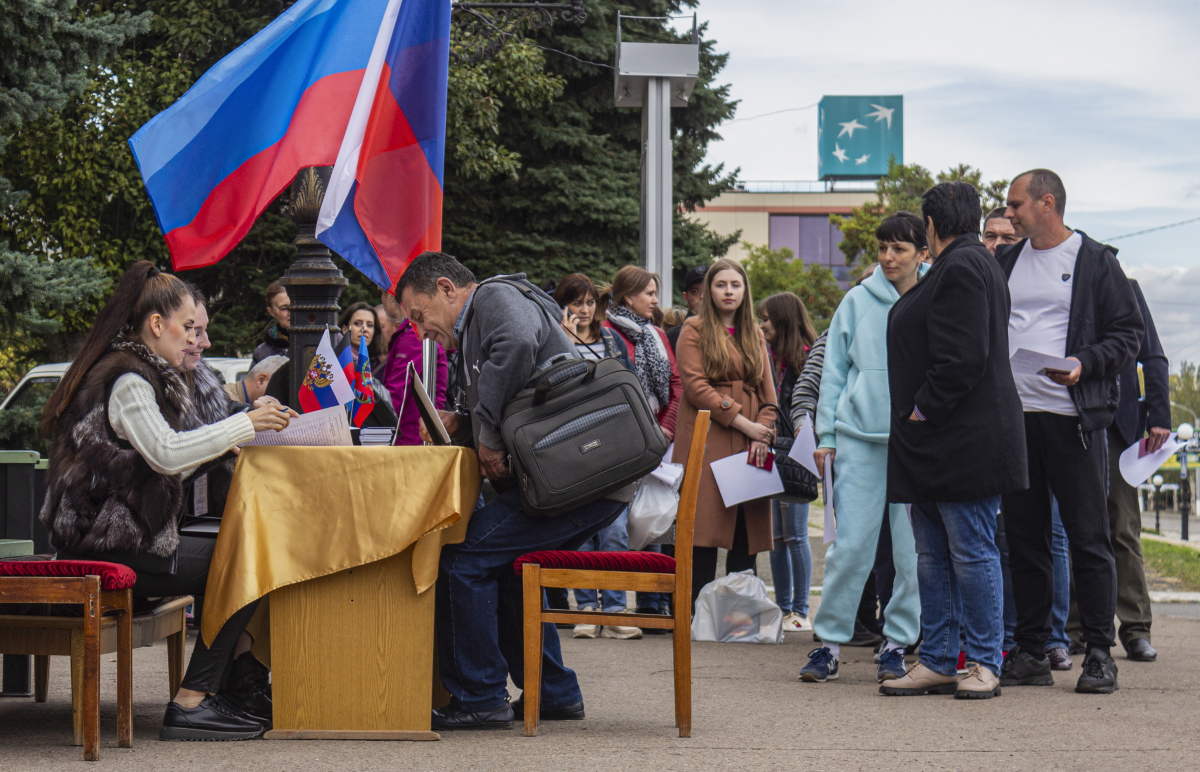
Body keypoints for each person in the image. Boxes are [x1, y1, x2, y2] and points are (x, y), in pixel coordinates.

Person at [38, 261, 296, 740]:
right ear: (157, 325)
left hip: (123, 536)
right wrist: (245, 425)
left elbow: (155, 464)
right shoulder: (128, 380)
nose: (197, 339)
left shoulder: (143, 373)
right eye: (190, 327)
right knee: (240, 555)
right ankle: (193, 702)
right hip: (105, 545)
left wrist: (227, 443)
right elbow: (164, 455)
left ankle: (236, 686)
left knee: (238, 543)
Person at [397, 252, 628, 731]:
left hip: (578, 476)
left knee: (464, 563)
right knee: (501, 566)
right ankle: (553, 691)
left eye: (419, 316)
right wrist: (465, 420)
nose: (420, 332)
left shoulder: (493, 295)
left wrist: (483, 432)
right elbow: (511, 384)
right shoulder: (482, 317)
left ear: (445, 287)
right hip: (582, 475)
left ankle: (480, 697)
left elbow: (519, 343)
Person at [995, 168, 1143, 695]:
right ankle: (1031, 652)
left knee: (1088, 538)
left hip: (1074, 422)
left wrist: (1084, 362)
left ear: (1047, 203)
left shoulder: (1097, 261)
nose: (1008, 213)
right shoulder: (1007, 261)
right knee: (1025, 540)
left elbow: (1129, 335)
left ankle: (1100, 654)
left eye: (1015, 205)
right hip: (1017, 422)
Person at [879, 182, 1028, 700]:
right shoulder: (965, 263)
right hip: (941, 444)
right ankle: (940, 659)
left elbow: (962, 358)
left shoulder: (964, 266)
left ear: (933, 227)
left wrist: (921, 409)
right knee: (934, 554)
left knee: (971, 551)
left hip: (961, 439)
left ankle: (984, 661)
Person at [800, 212, 926, 685]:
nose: (889, 257)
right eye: (883, 248)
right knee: (849, 548)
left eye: (900, 249)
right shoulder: (855, 300)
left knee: (912, 554)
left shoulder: (934, 297)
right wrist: (826, 436)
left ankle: (895, 644)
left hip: (915, 444)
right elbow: (832, 371)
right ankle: (828, 644)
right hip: (858, 440)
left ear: (922, 252)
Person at [1066, 279, 1169, 663]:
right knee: (1071, 526)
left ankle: (1136, 628)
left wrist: (1159, 415)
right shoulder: (1052, 282)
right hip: (1066, 419)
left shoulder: (1122, 285)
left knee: (1123, 527)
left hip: (1118, 426)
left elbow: (1152, 355)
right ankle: (1076, 627)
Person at [673, 258, 777, 604]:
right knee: (703, 527)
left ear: (745, 290)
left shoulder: (756, 333)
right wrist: (744, 423)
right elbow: (696, 387)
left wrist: (762, 432)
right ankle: (690, 615)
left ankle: (739, 616)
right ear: (708, 291)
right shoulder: (694, 328)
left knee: (747, 527)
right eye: (721, 285)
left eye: (735, 284)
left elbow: (768, 397)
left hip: (752, 441)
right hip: (709, 435)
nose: (728, 291)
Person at [549, 273, 642, 638]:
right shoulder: (555, 338)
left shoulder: (611, 339)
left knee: (615, 529)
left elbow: (630, 383)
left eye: (589, 303)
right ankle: (586, 607)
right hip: (574, 442)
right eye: (576, 303)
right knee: (583, 531)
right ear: (562, 305)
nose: (584, 310)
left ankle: (616, 609)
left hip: (612, 441)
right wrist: (564, 339)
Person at [602, 266, 684, 626]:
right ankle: (615, 606)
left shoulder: (656, 335)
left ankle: (651, 603)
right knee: (617, 523)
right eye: (649, 293)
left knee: (654, 519)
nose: (655, 300)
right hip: (617, 441)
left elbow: (676, 385)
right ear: (627, 296)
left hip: (655, 440)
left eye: (655, 293)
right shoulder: (604, 332)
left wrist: (665, 430)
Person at [758, 292, 817, 633]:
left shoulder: (807, 358)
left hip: (798, 453)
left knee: (796, 533)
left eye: (766, 318)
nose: (762, 324)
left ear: (782, 320)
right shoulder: (770, 357)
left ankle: (801, 609)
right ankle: (783, 609)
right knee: (777, 536)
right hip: (774, 451)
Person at [379, 292, 448, 446]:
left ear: (391, 298)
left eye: (381, 294)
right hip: (415, 435)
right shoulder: (411, 334)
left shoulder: (413, 337)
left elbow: (397, 393)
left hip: (411, 439)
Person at [666, 264, 708, 351]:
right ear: (686, 297)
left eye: (708, 290)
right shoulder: (672, 337)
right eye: (695, 291)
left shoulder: (731, 331)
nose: (702, 296)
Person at [223, 355, 289, 404]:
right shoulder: (225, 403)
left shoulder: (228, 398)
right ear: (261, 380)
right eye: (281, 388)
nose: (281, 395)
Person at [251, 281, 290, 364]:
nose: (291, 312)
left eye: (295, 306)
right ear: (271, 312)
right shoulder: (262, 353)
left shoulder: (319, 343)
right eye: (283, 308)